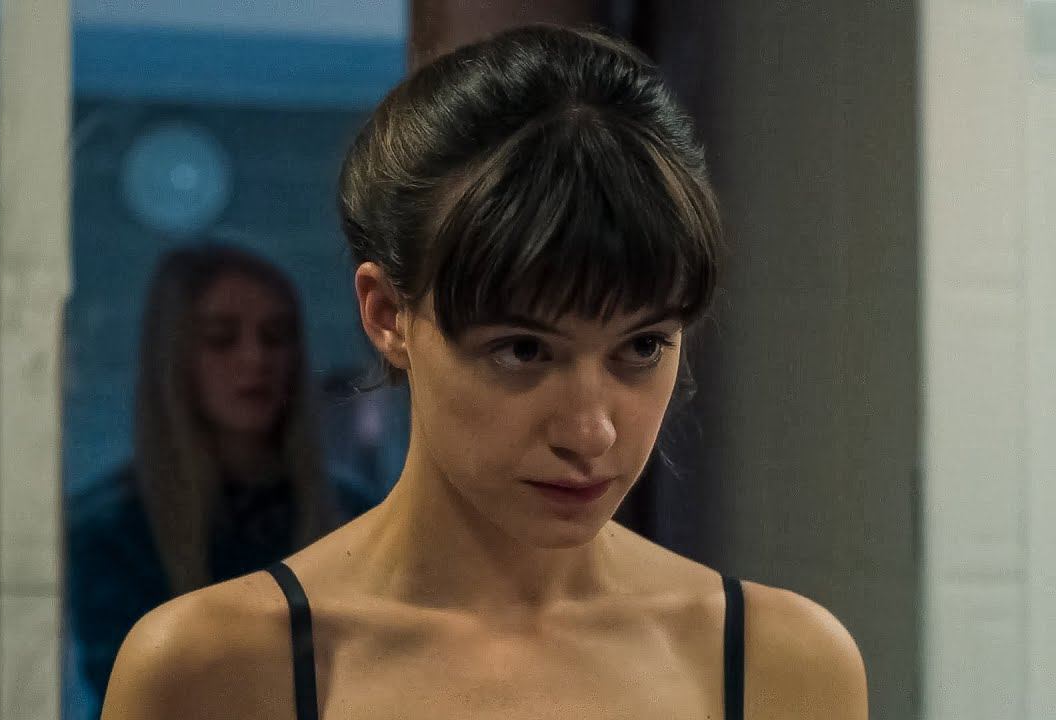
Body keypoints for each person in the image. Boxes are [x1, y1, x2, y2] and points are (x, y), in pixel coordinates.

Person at [101, 24, 868, 720]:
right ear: (388, 315)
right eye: (524, 350)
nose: (590, 432)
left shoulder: (779, 663)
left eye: (640, 348)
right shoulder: (214, 672)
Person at [66, 245, 340, 709]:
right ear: (175, 356)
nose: (255, 359)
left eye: (276, 336)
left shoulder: (351, 512)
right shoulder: (110, 530)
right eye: (221, 338)